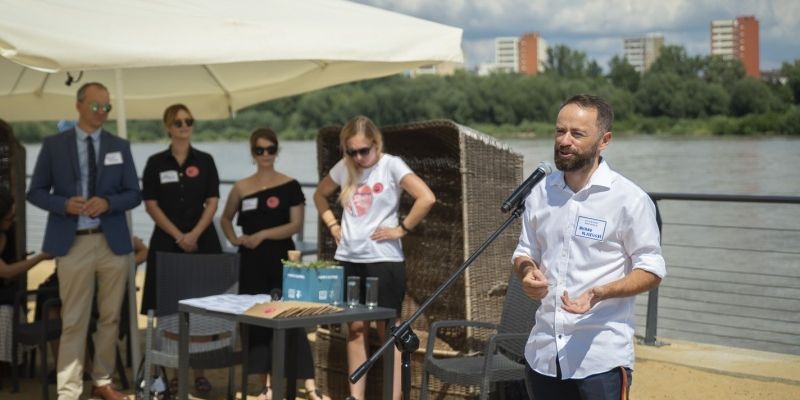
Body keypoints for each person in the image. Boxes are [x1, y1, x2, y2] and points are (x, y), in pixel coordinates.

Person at [511, 94, 666, 400]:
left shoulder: (629, 200)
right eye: (559, 131)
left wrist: (599, 293)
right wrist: (527, 272)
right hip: (542, 355)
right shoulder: (540, 192)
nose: (564, 141)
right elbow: (524, 251)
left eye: (577, 134)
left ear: (604, 140)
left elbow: (652, 269)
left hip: (600, 358)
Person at [27, 82, 141, 400]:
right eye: (96, 106)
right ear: (78, 105)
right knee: (73, 319)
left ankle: (102, 381)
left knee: (110, 317)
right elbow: (34, 192)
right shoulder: (54, 145)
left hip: (112, 242)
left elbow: (134, 193)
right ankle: (69, 390)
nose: (102, 112)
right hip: (72, 242)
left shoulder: (121, 145)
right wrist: (63, 204)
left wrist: (108, 202)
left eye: (107, 107)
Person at [313, 116, 436, 400]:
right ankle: (355, 397)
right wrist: (333, 225)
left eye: (363, 151)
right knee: (355, 329)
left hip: (384, 260)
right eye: (351, 152)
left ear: (376, 144)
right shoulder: (344, 168)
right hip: (349, 258)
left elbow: (426, 197)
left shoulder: (391, 165)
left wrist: (401, 229)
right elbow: (319, 196)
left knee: (388, 332)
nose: (358, 157)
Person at [220, 128, 329, 400]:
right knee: (256, 319)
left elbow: (295, 224)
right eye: (260, 150)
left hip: (282, 257)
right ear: (252, 153)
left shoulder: (290, 185)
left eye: (270, 149)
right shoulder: (241, 187)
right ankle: (265, 385)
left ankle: (310, 385)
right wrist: (236, 239)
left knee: (291, 316)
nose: (265, 155)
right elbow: (225, 218)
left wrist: (262, 235)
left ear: (277, 151)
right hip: (251, 260)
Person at [140, 103, 221, 395]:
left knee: (202, 308)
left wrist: (195, 233)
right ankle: (175, 372)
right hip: (166, 241)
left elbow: (212, 201)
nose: (184, 126)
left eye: (189, 121)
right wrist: (179, 236)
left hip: (202, 241)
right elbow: (150, 204)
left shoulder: (206, 160)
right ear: (167, 127)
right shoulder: (155, 162)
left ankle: (199, 373)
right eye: (178, 122)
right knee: (170, 309)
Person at [0, 186, 52, 366]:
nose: (13, 219)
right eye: (9, 217)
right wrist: (41, 257)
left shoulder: (8, 233)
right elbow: (5, 271)